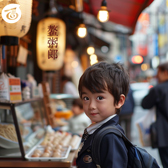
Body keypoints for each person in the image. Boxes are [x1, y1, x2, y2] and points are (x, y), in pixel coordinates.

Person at [76, 61, 130, 168]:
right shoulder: (98, 130)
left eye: (100, 98)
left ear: (119, 101)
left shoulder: (110, 137)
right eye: (86, 98)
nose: (91, 105)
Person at [141, 62, 168, 168]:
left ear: (165, 72)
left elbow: (145, 104)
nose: (156, 76)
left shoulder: (158, 89)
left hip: (165, 135)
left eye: (158, 73)